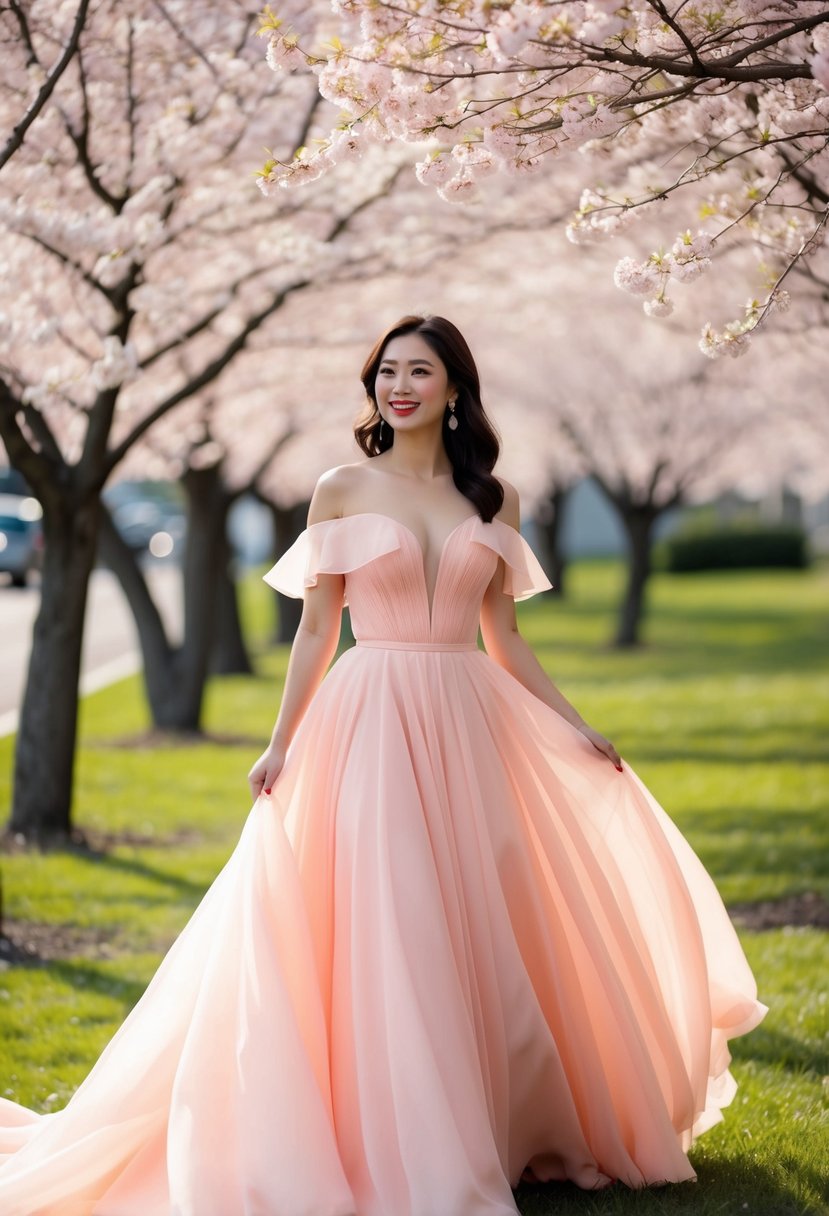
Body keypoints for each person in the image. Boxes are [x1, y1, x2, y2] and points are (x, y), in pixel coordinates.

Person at [0, 314, 766, 1216]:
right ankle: (398, 1133)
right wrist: (281, 741)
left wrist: (576, 724)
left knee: (477, 914)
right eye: (386, 372)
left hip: (470, 718)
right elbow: (317, 631)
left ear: (453, 390)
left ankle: (498, 1120)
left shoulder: (496, 500)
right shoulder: (339, 487)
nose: (398, 387)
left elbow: (504, 637)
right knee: (391, 915)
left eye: (420, 371)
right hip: (366, 722)